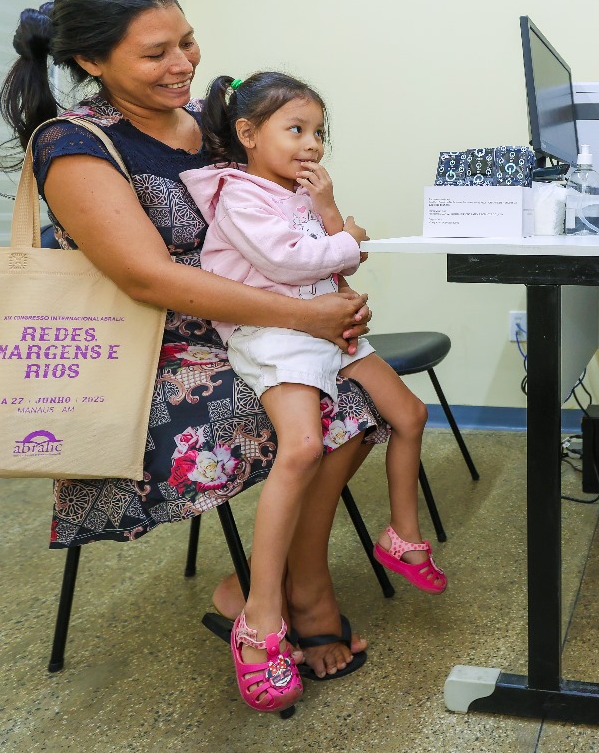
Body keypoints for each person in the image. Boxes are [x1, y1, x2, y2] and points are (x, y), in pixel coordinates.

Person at [0, 0, 379, 698]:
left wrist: (329, 271)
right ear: (90, 60)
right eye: (155, 53)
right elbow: (150, 278)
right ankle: (289, 598)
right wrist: (308, 314)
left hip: (242, 325)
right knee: (325, 413)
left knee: (361, 401)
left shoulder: (213, 122)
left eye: (188, 41)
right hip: (151, 356)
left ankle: (277, 584)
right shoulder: (73, 143)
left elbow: (278, 219)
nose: (183, 65)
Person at [179, 70, 446, 704]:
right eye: (295, 129)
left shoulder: (294, 194)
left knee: (409, 413)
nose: (312, 145)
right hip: (272, 335)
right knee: (299, 449)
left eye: (319, 133)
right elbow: (290, 263)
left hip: (323, 328)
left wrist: (332, 221)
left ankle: (401, 538)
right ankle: (262, 613)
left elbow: (339, 257)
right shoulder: (237, 194)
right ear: (247, 134)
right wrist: (345, 240)